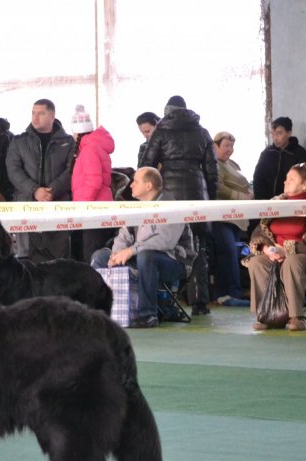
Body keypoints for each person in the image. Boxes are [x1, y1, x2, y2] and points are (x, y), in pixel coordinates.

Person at [140, 95, 218, 316]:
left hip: (168, 196)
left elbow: (147, 166)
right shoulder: (202, 132)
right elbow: (212, 171)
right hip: (197, 193)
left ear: (167, 111)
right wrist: (209, 198)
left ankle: (167, 299)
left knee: (165, 244)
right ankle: (200, 303)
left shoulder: (161, 131)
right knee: (199, 247)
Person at [91, 167, 194, 329]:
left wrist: (131, 251)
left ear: (148, 186)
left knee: (146, 256)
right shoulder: (136, 208)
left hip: (175, 263)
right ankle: (102, 310)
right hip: (141, 259)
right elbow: (124, 235)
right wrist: (116, 254)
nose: (131, 185)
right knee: (100, 256)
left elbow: (164, 242)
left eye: (136, 181)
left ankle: (147, 315)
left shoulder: (172, 207)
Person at [245, 162, 306, 332]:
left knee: (291, 262)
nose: (285, 182)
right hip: (274, 250)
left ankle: (295, 317)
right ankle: (266, 315)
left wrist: (289, 249)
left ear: (305, 184)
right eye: (286, 178)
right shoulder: (277, 203)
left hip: (305, 252)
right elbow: (260, 231)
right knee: (257, 262)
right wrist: (266, 249)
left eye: (291, 179)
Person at [6, 98, 75, 261]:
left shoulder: (69, 142)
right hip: (26, 205)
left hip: (58, 205)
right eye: (33, 113)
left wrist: (52, 191)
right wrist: (35, 191)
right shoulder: (18, 141)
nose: (35, 117)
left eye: (41, 113)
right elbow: (13, 170)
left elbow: (72, 170)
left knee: (59, 259)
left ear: (52, 116)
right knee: (26, 260)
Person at [69, 104, 115, 262]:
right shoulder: (93, 147)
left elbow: (93, 181)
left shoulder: (89, 150)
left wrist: (82, 206)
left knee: (91, 254)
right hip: (98, 206)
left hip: (93, 209)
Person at [211, 131, 252, 307]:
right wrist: (240, 196)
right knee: (227, 253)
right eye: (226, 145)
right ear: (215, 146)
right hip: (221, 217)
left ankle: (232, 292)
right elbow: (217, 187)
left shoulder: (232, 164)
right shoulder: (214, 164)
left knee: (232, 253)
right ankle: (228, 294)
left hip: (236, 218)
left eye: (232, 146)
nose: (230, 149)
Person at [252, 116, 306, 202]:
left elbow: (303, 182)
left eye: (279, 133)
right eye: (272, 133)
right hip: (267, 203)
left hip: (292, 203)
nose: (275, 138)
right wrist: (262, 201)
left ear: (289, 133)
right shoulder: (267, 153)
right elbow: (258, 179)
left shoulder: (300, 154)